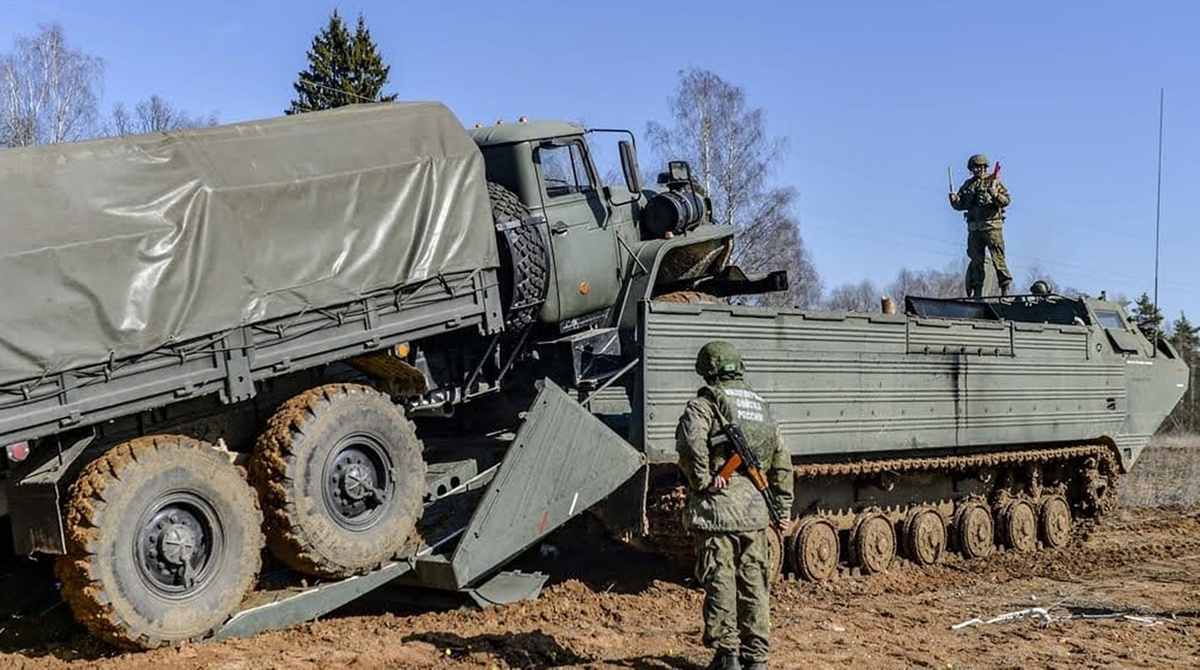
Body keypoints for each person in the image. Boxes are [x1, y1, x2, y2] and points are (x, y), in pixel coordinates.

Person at [674, 341, 795, 670]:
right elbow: (782, 459)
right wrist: (781, 507)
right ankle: (757, 657)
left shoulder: (703, 404)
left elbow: (690, 443)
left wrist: (702, 480)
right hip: (755, 511)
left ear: (708, 369)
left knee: (721, 580)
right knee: (755, 583)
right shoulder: (760, 405)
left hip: (718, 510)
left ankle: (728, 655)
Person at [949, 154, 1013, 297]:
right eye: (974, 168)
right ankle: (978, 292)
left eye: (979, 167)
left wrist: (995, 195)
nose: (977, 170)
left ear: (984, 167)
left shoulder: (994, 181)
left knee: (998, 259)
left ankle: (1005, 288)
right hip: (974, 229)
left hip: (991, 228)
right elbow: (962, 205)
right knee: (976, 260)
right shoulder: (968, 185)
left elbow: (1006, 200)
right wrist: (954, 201)